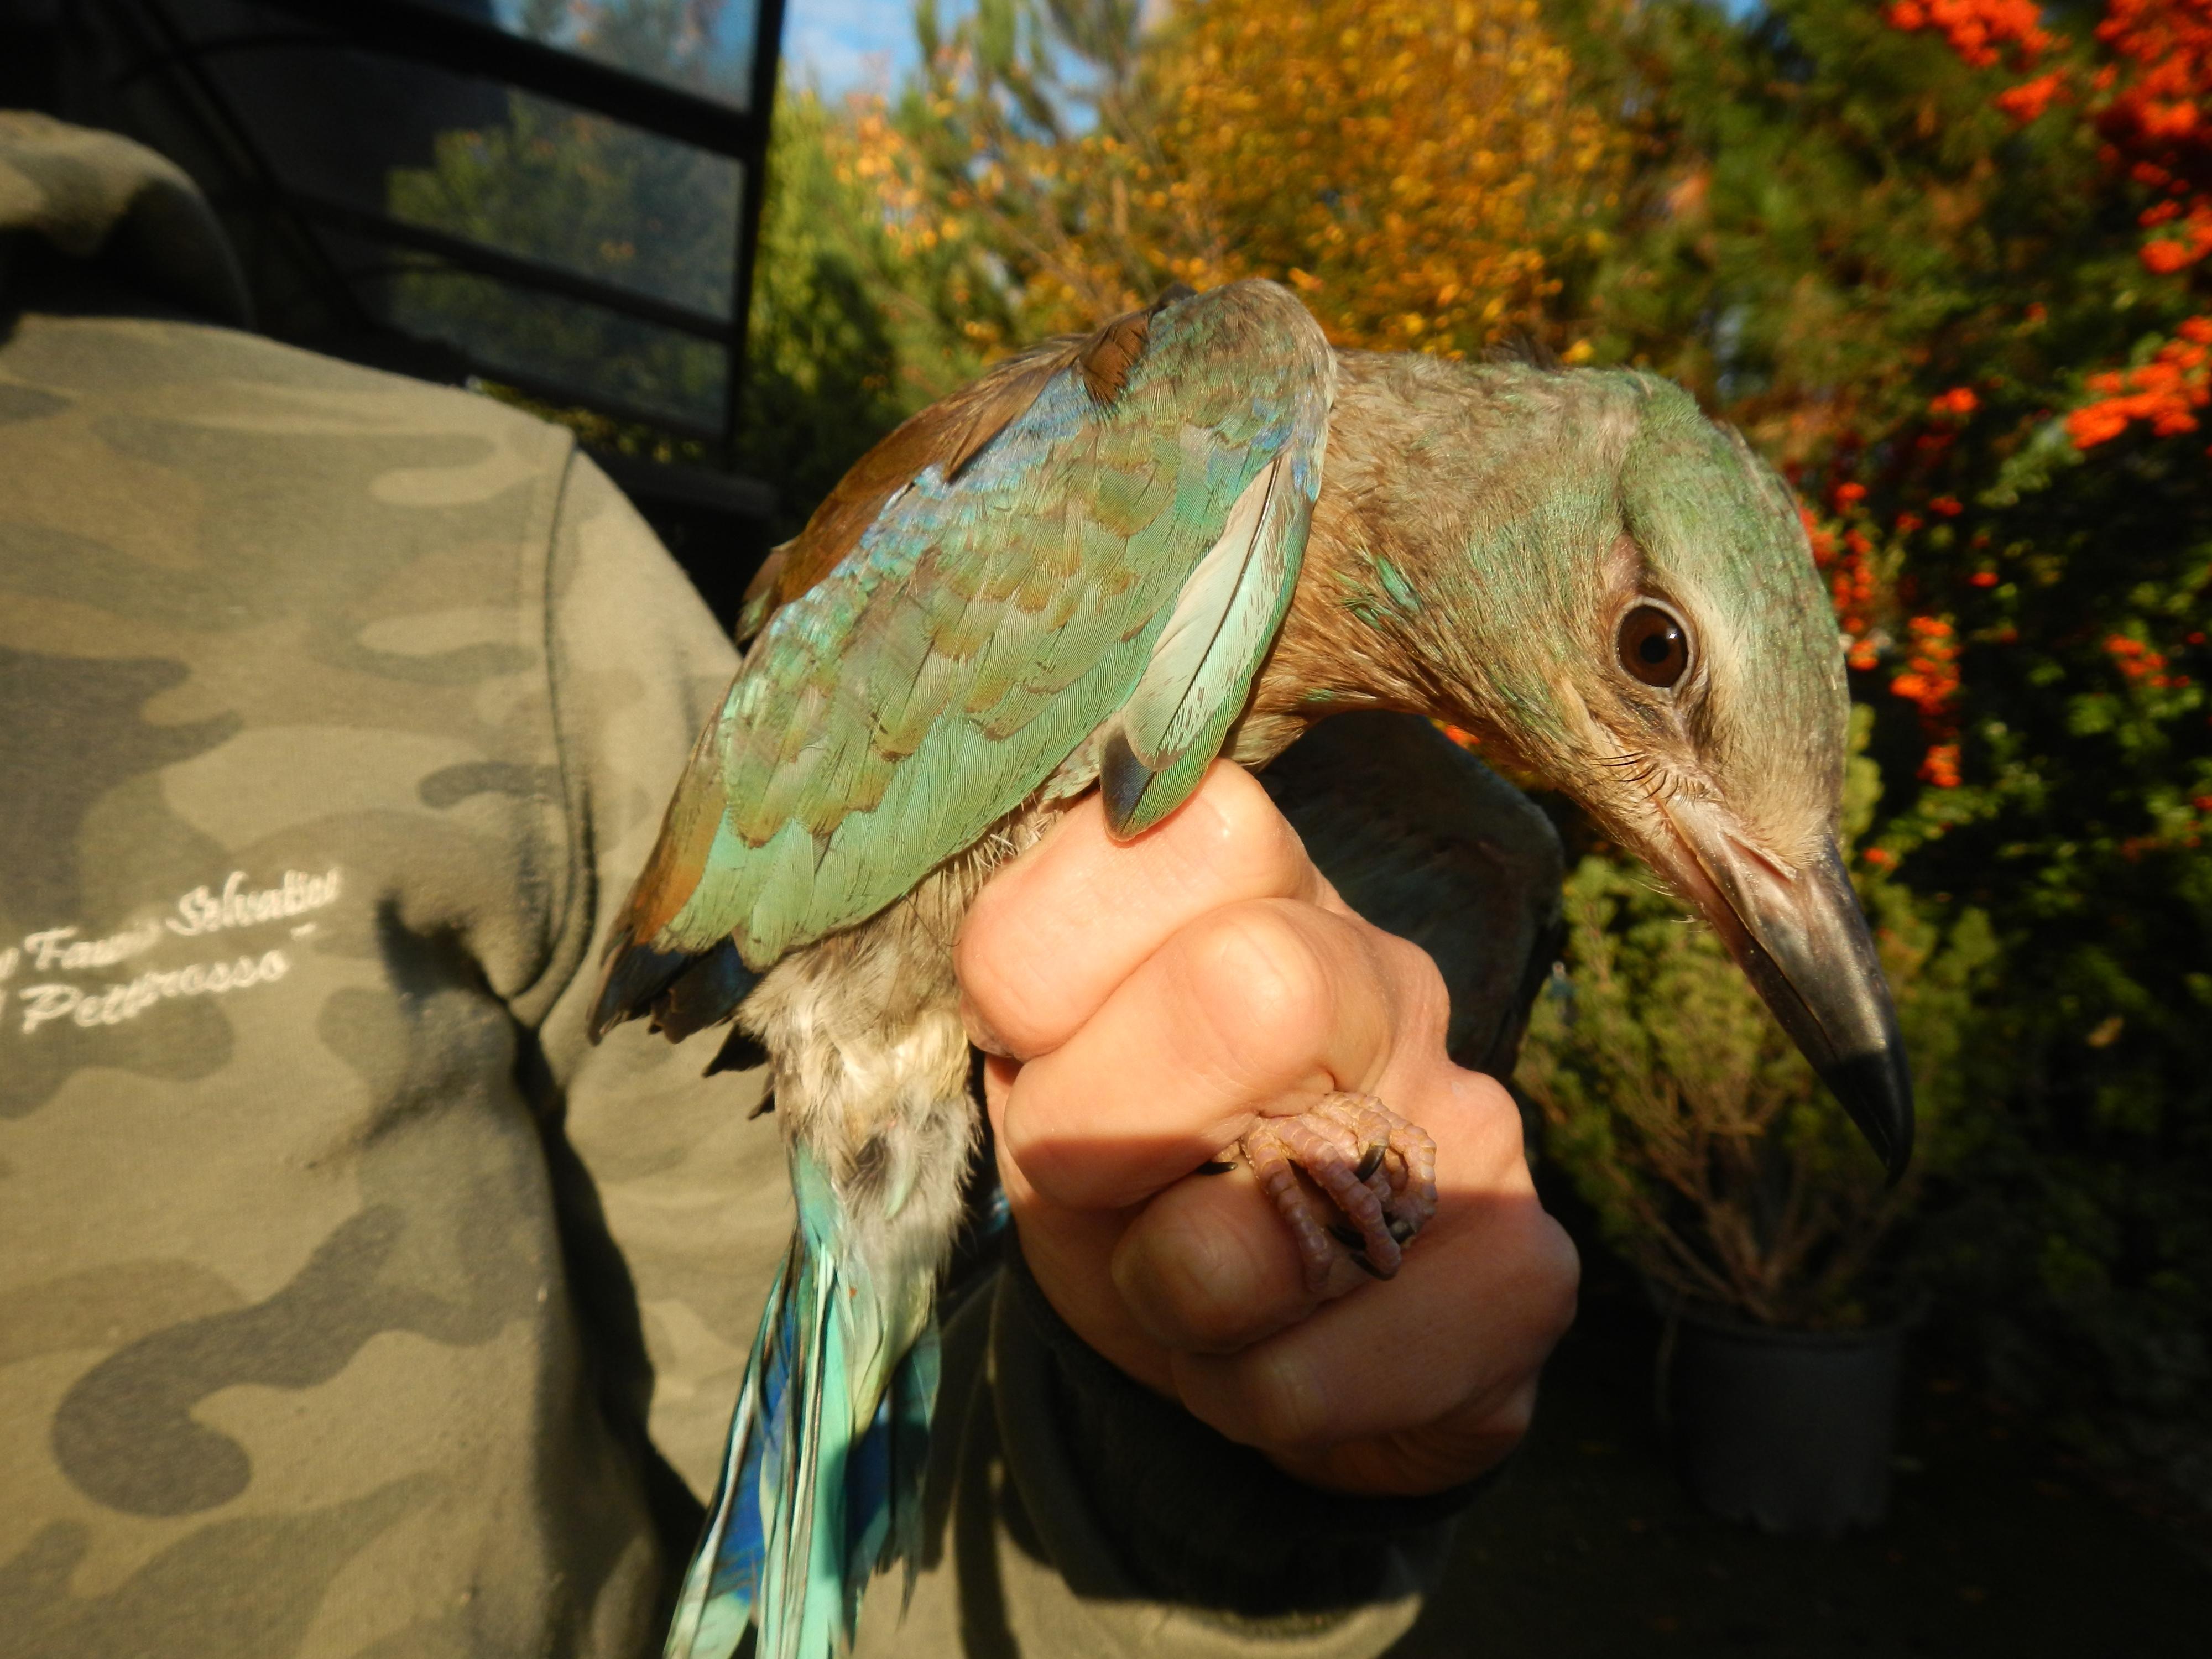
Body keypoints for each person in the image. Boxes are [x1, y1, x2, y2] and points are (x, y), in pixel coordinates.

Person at [0, 113, 1577, 1658]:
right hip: (853, 1017)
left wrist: (1214, 1436)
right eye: (1648, 660)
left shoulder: (491, 536)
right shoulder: (1234, 394)